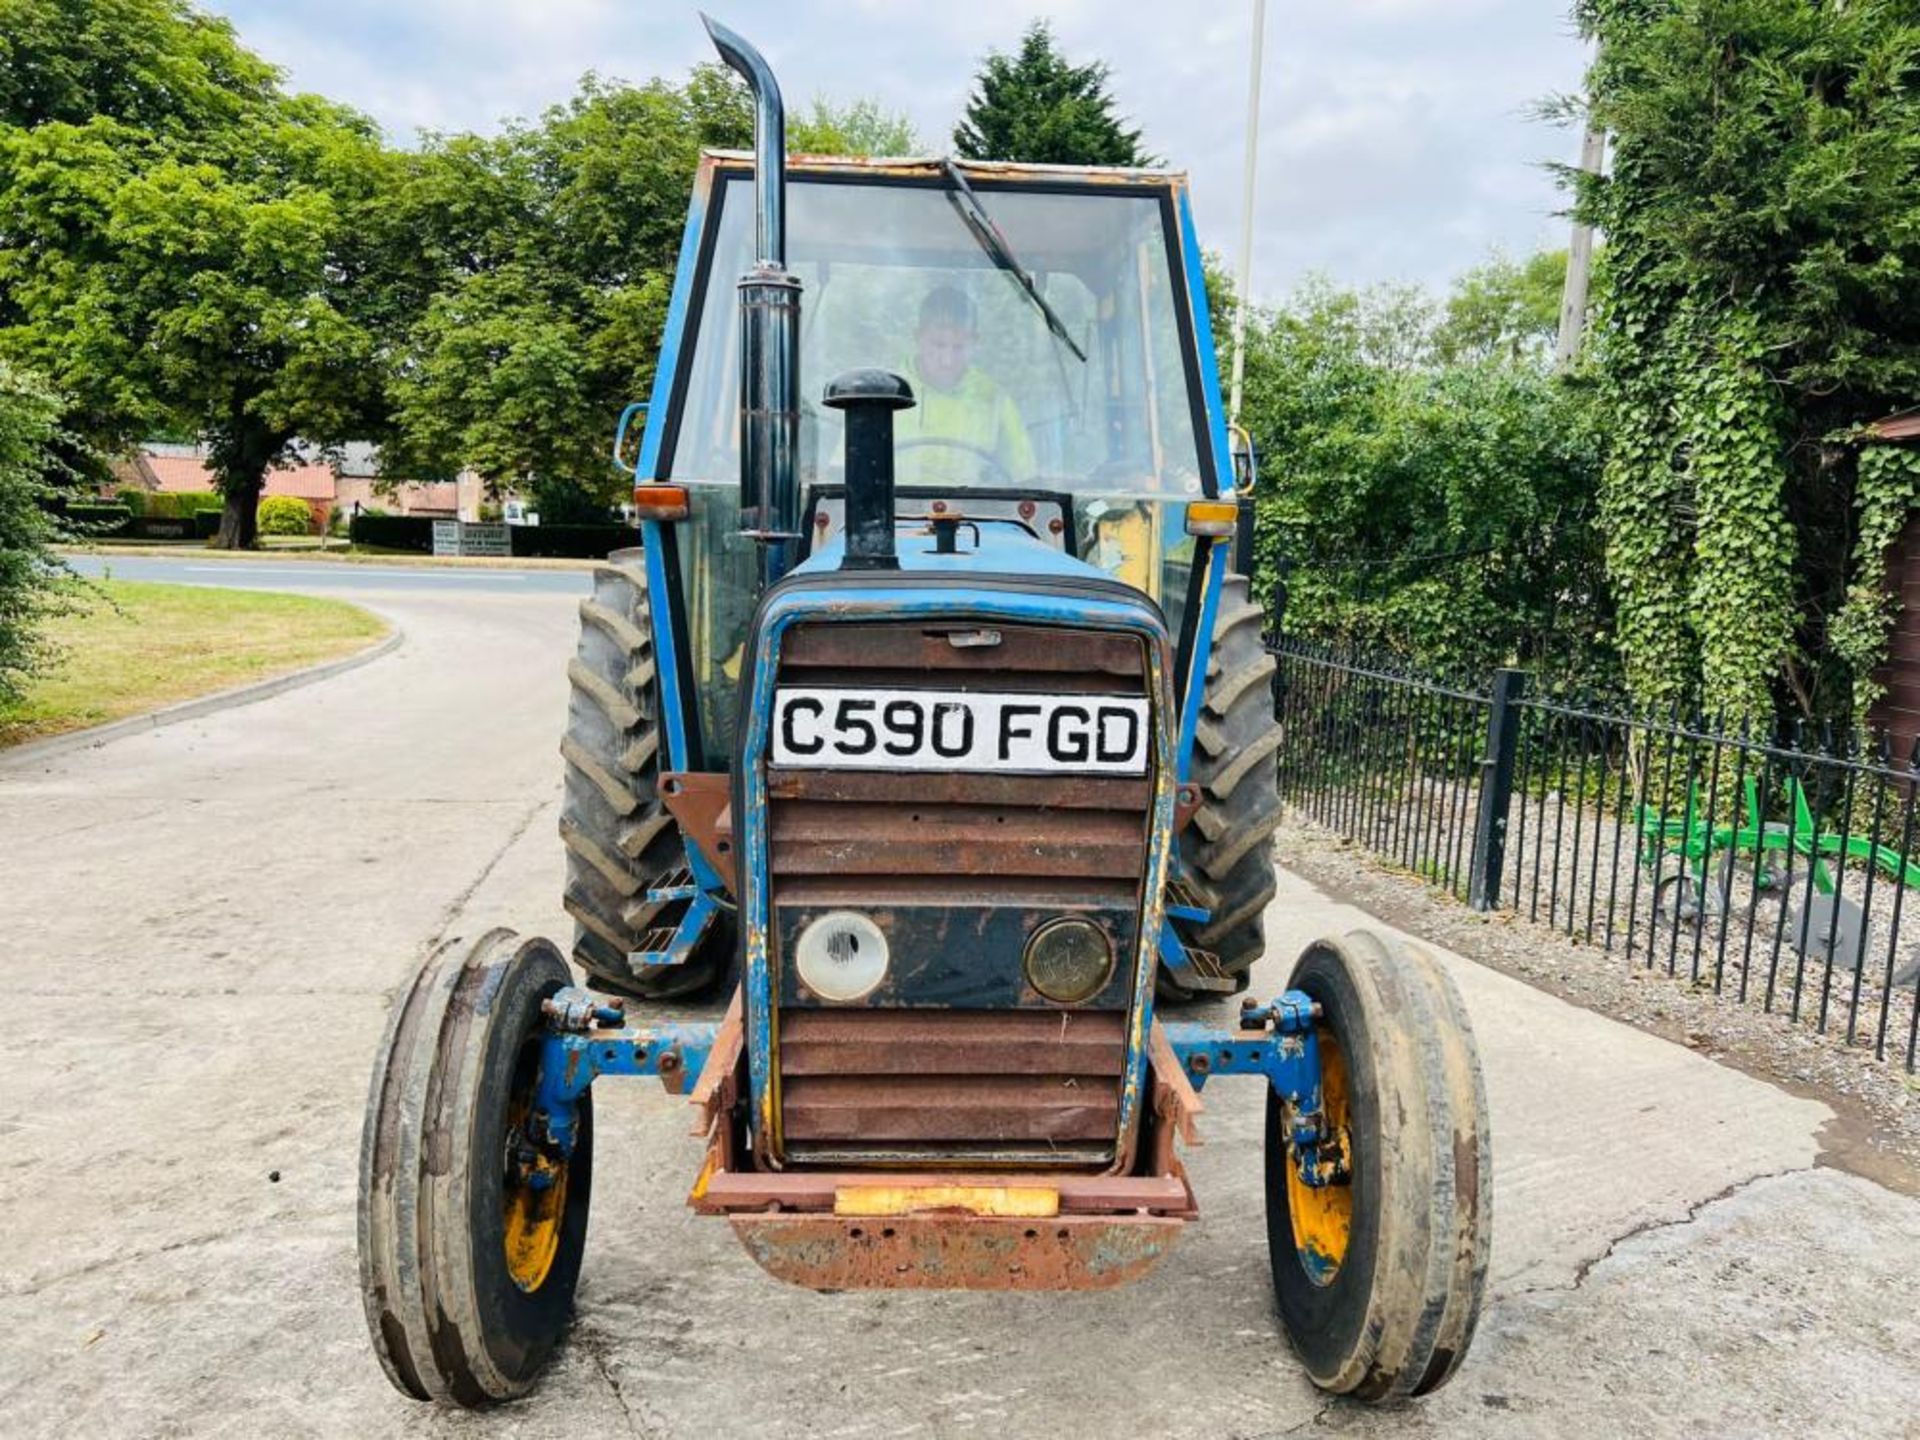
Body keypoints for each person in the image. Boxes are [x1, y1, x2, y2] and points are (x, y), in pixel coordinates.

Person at [895, 285, 1035, 484]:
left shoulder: (993, 399)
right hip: (890, 511)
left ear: (975, 342)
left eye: (959, 348)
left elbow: (1025, 478)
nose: (947, 360)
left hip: (976, 512)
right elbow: (845, 472)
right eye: (938, 345)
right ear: (918, 337)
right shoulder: (884, 397)